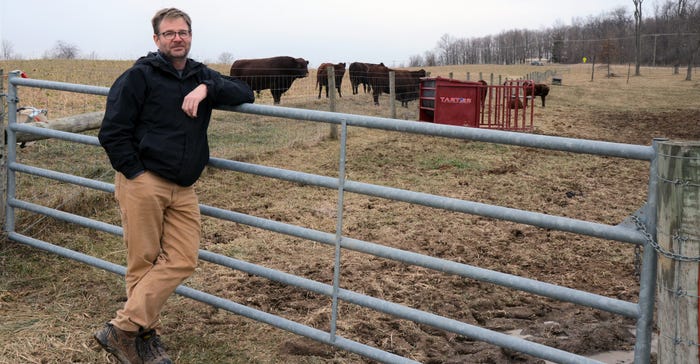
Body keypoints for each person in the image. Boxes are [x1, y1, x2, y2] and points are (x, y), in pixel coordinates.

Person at [94, 7, 254, 364]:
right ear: (156, 39)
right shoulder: (139, 76)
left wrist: (206, 87)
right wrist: (135, 173)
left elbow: (245, 91)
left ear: (190, 36)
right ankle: (143, 341)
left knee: (182, 259)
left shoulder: (200, 73)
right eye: (169, 34)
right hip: (144, 181)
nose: (177, 38)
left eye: (182, 32)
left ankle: (121, 329)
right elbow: (112, 131)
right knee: (144, 262)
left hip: (183, 186)